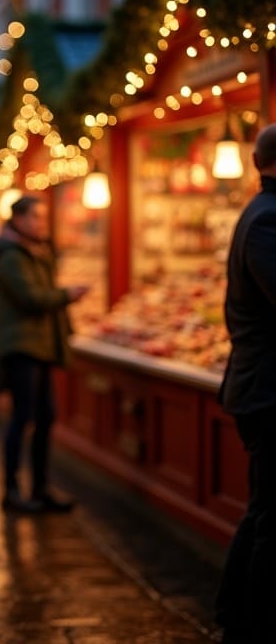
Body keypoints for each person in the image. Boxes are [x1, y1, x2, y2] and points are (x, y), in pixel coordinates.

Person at [0, 195, 87, 514]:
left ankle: (40, 488)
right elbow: (30, 298)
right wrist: (66, 295)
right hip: (21, 346)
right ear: (18, 220)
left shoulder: (35, 252)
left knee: (45, 417)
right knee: (23, 418)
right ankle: (11, 490)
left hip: (40, 345)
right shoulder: (12, 257)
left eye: (43, 218)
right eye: (35, 218)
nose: (41, 224)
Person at [214, 123, 276, 644]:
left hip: (263, 387)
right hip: (268, 390)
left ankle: (238, 615)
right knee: (270, 516)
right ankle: (250, 621)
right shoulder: (266, 221)